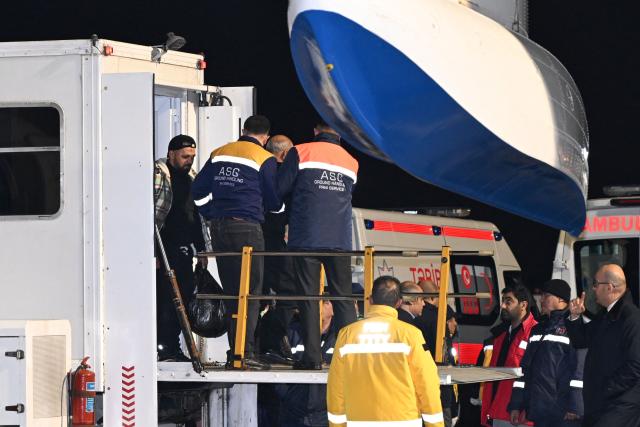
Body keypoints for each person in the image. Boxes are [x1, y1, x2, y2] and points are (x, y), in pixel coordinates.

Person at [192, 115, 280, 370]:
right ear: (265, 138)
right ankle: (246, 353)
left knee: (233, 292)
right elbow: (272, 199)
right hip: (248, 229)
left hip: (220, 228)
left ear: (244, 130)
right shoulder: (263, 158)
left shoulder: (220, 152)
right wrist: (280, 208)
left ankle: (235, 351)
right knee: (250, 293)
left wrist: (211, 212)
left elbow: (198, 191)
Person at [278, 120, 358, 370]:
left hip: (307, 237)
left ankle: (312, 358)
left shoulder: (301, 151)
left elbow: (281, 188)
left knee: (309, 297)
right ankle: (350, 357)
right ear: (340, 133)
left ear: (315, 130)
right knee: (343, 298)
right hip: (340, 240)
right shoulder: (351, 161)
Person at [327, 276, 444, 427]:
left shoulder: (347, 335)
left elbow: (336, 387)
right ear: (399, 303)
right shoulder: (410, 335)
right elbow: (427, 383)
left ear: (370, 300)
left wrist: (337, 425)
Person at [154, 134, 210, 361]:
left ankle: (172, 345)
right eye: (185, 156)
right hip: (165, 249)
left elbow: (197, 217)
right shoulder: (159, 175)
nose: (189, 161)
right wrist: (153, 252)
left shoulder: (193, 178)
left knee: (185, 298)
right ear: (171, 153)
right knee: (167, 300)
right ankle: (165, 347)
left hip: (186, 249)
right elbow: (152, 215)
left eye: (192, 157)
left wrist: (203, 249)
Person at [567, 264, 640, 427]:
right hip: (603, 404)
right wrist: (574, 317)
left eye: (596, 284)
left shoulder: (632, 319)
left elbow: (635, 366)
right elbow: (581, 339)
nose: (593, 288)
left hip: (620, 406)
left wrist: (605, 389)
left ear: (609, 287)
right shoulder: (607, 315)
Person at [507, 279, 585, 427]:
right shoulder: (538, 329)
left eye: (546, 296)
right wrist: (516, 405)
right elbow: (525, 371)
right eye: (541, 296)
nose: (541, 300)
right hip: (540, 411)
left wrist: (575, 406)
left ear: (561, 299)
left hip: (564, 414)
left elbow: (579, 371)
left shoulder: (574, 327)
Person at [261, 134, 297, 361]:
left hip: (253, 239)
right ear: (284, 154)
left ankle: (253, 344)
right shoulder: (282, 172)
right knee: (291, 292)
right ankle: (270, 340)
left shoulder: (258, 167)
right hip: (272, 241)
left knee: (254, 294)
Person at [480, 285, 537, 427]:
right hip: (499, 412)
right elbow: (492, 379)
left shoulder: (536, 333)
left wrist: (526, 409)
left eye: (508, 301)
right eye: (502, 301)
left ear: (523, 305)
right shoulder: (500, 337)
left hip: (521, 416)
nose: (503, 306)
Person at [278, 298, 337, 426]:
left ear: (333, 310)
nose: (319, 305)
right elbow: (277, 364)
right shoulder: (292, 333)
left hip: (325, 416)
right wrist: (290, 398)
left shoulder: (340, 337)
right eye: (317, 302)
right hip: (293, 415)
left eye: (325, 302)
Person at [413, 280, 457, 427]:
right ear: (432, 297)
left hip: (414, 389)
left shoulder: (411, 317)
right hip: (438, 388)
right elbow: (445, 355)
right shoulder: (438, 318)